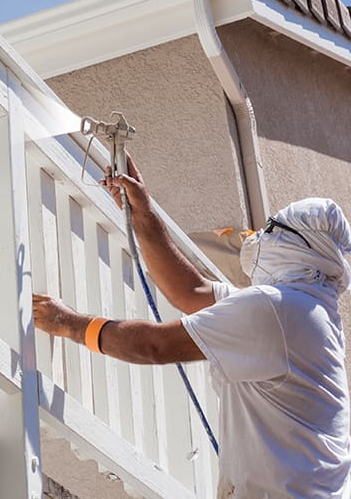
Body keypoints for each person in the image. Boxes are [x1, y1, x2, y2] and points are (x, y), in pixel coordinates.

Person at [32, 155, 351, 498]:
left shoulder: (280, 310)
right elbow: (191, 291)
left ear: (298, 246)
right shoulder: (301, 308)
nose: (261, 235)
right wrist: (142, 212)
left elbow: (155, 346)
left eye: (273, 228)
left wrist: (69, 324)